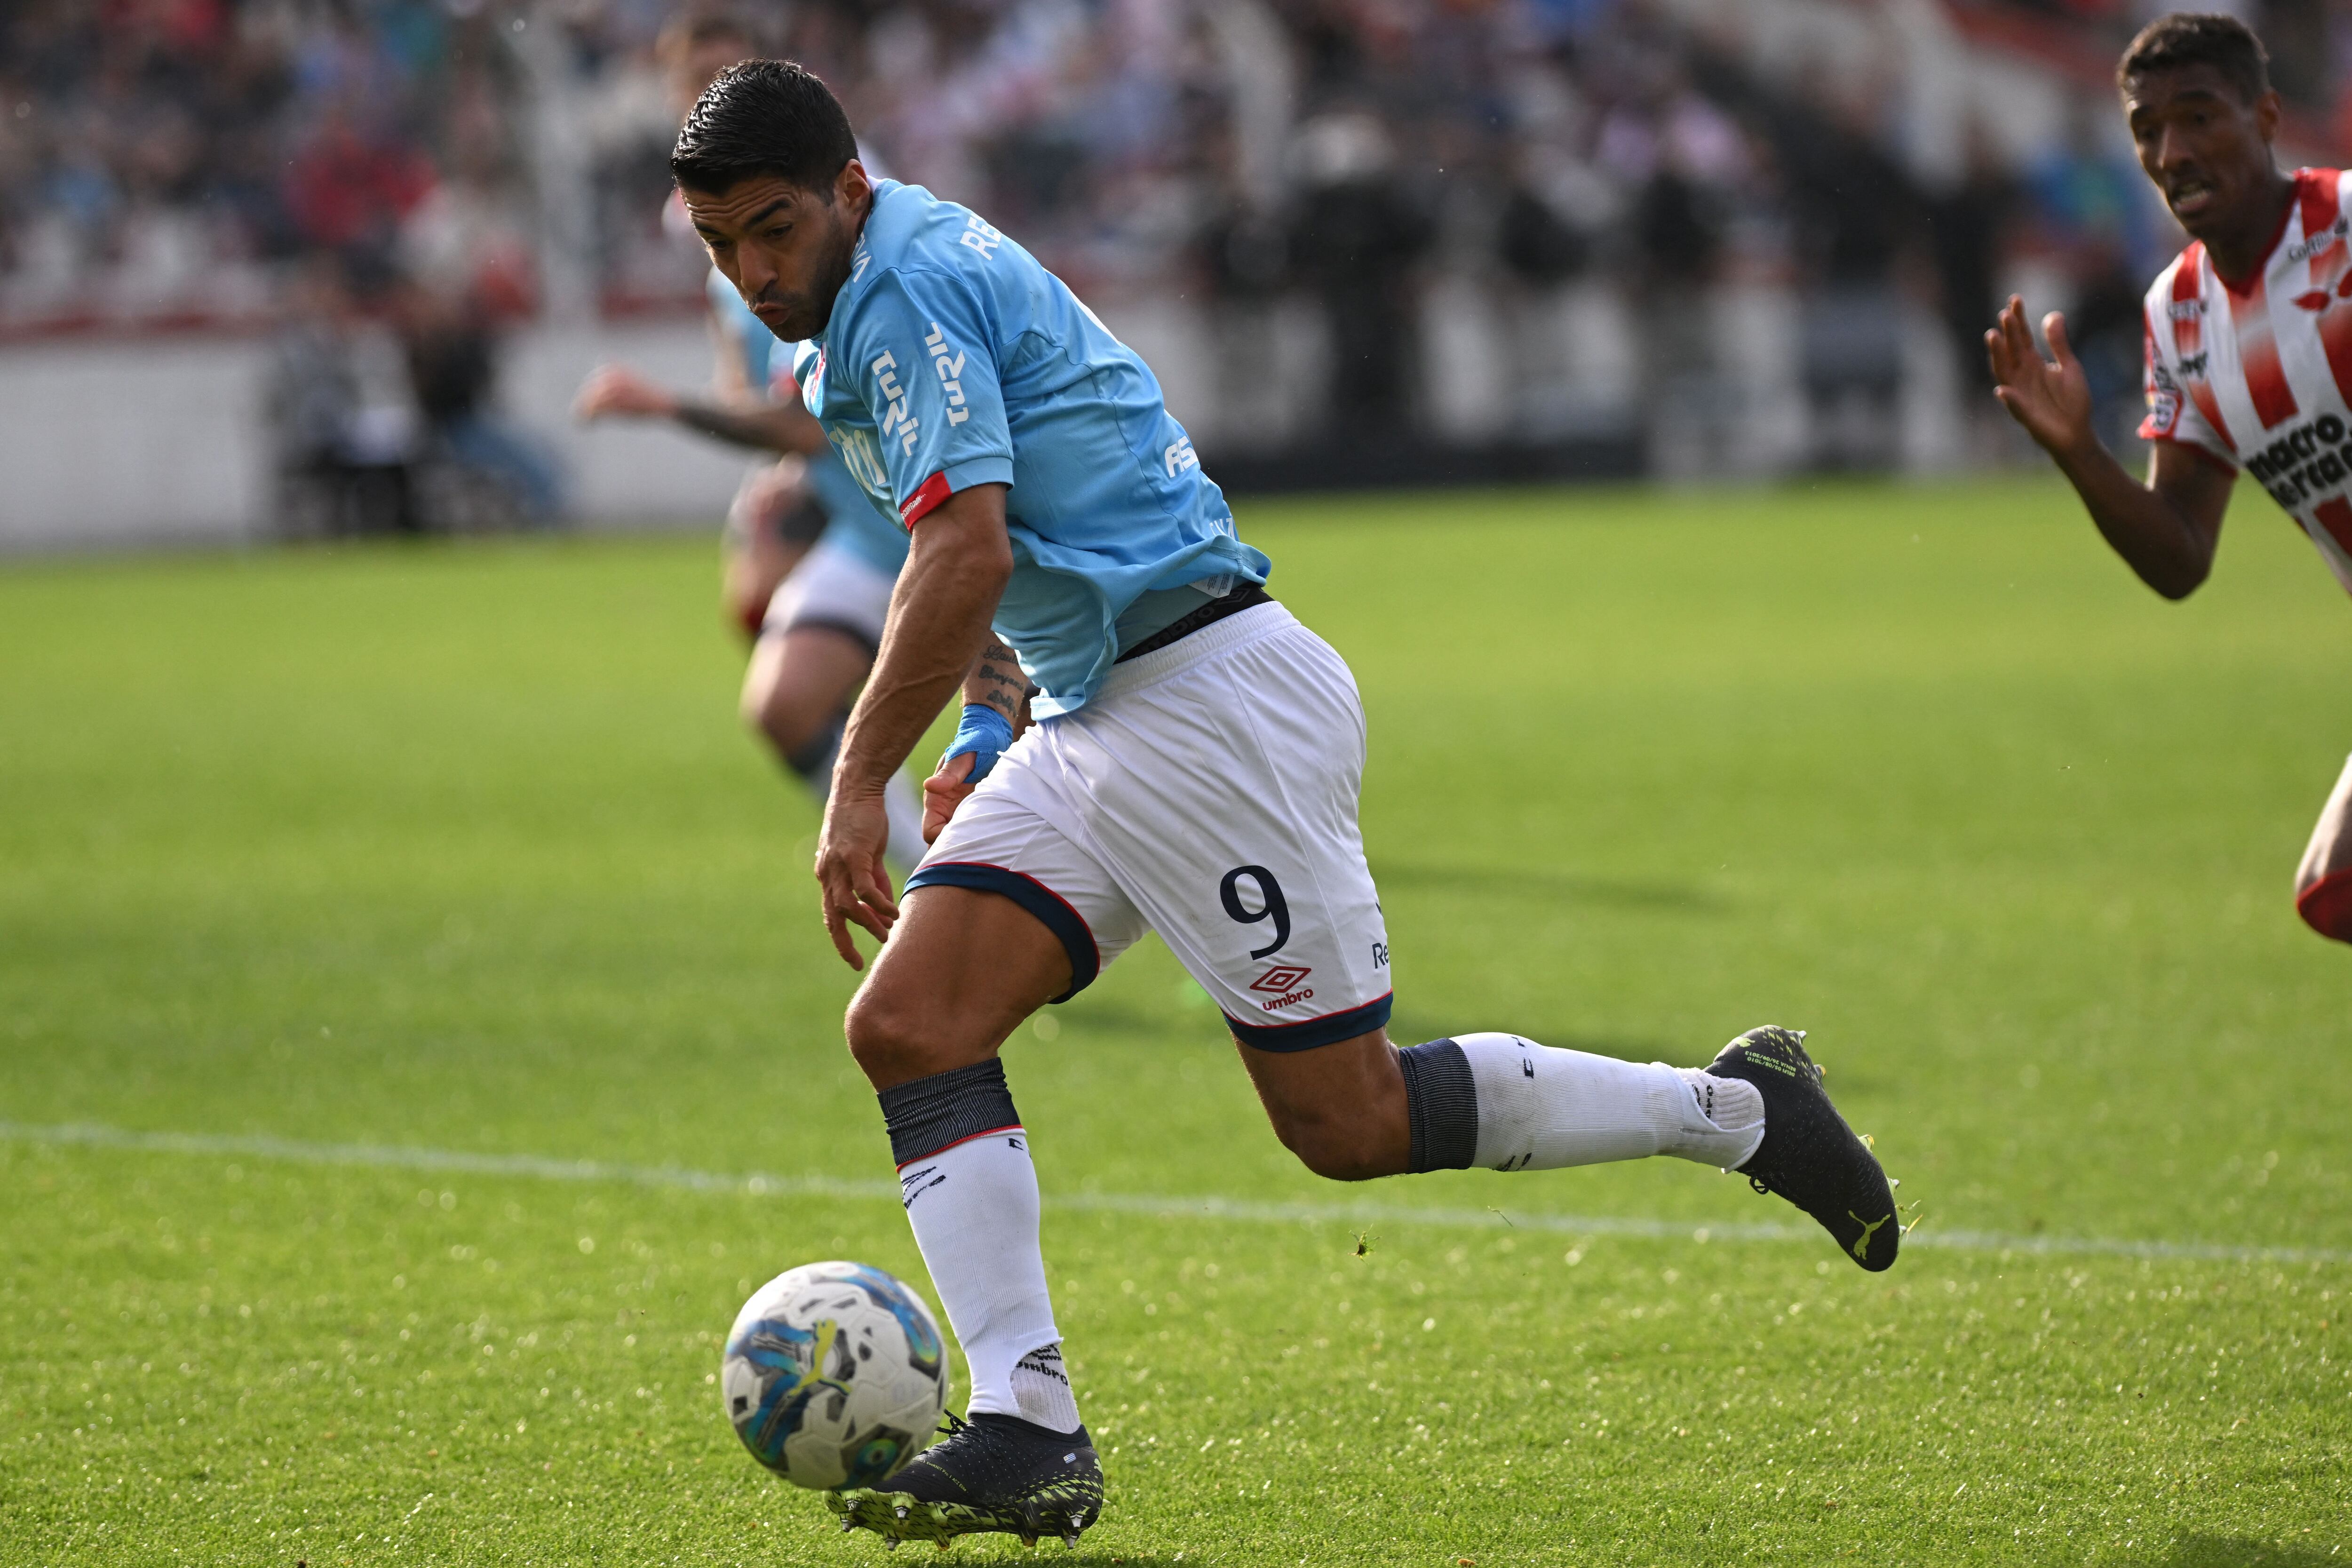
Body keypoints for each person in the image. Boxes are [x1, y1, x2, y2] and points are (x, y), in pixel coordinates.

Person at [673, 59, 1900, 1548]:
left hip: (1208, 707)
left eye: (774, 229)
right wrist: (993, 719)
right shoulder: (880, 281)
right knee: (912, 1025)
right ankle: (1030, 1423)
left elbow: (973, 548)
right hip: (1105, 706)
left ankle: (1739, 1109)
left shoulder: (906, 288)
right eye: (723, 242)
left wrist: (858, 779)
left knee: (1348, 1118)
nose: (753, 269)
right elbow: (1026, 530)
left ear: (848, 191)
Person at [1987, 13, 2352, 943]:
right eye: (2148, 130)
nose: (2172, 149)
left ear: (2266, 115)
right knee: (2332, 887)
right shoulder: (2178, 313)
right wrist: (2078, 452)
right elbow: (2180, 556)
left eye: (2199, 117)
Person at [574, 12, 926, 869]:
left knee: (1040, 739)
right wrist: (776, 471)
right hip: (867, 519)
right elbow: (759, 385)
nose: (713, 101)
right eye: (698, 86)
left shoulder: (837, 208)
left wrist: (668, 408)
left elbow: (814, 416)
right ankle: (927, 879)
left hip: (942, 507)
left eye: (731, 79)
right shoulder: (712, 225)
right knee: (785, 703)